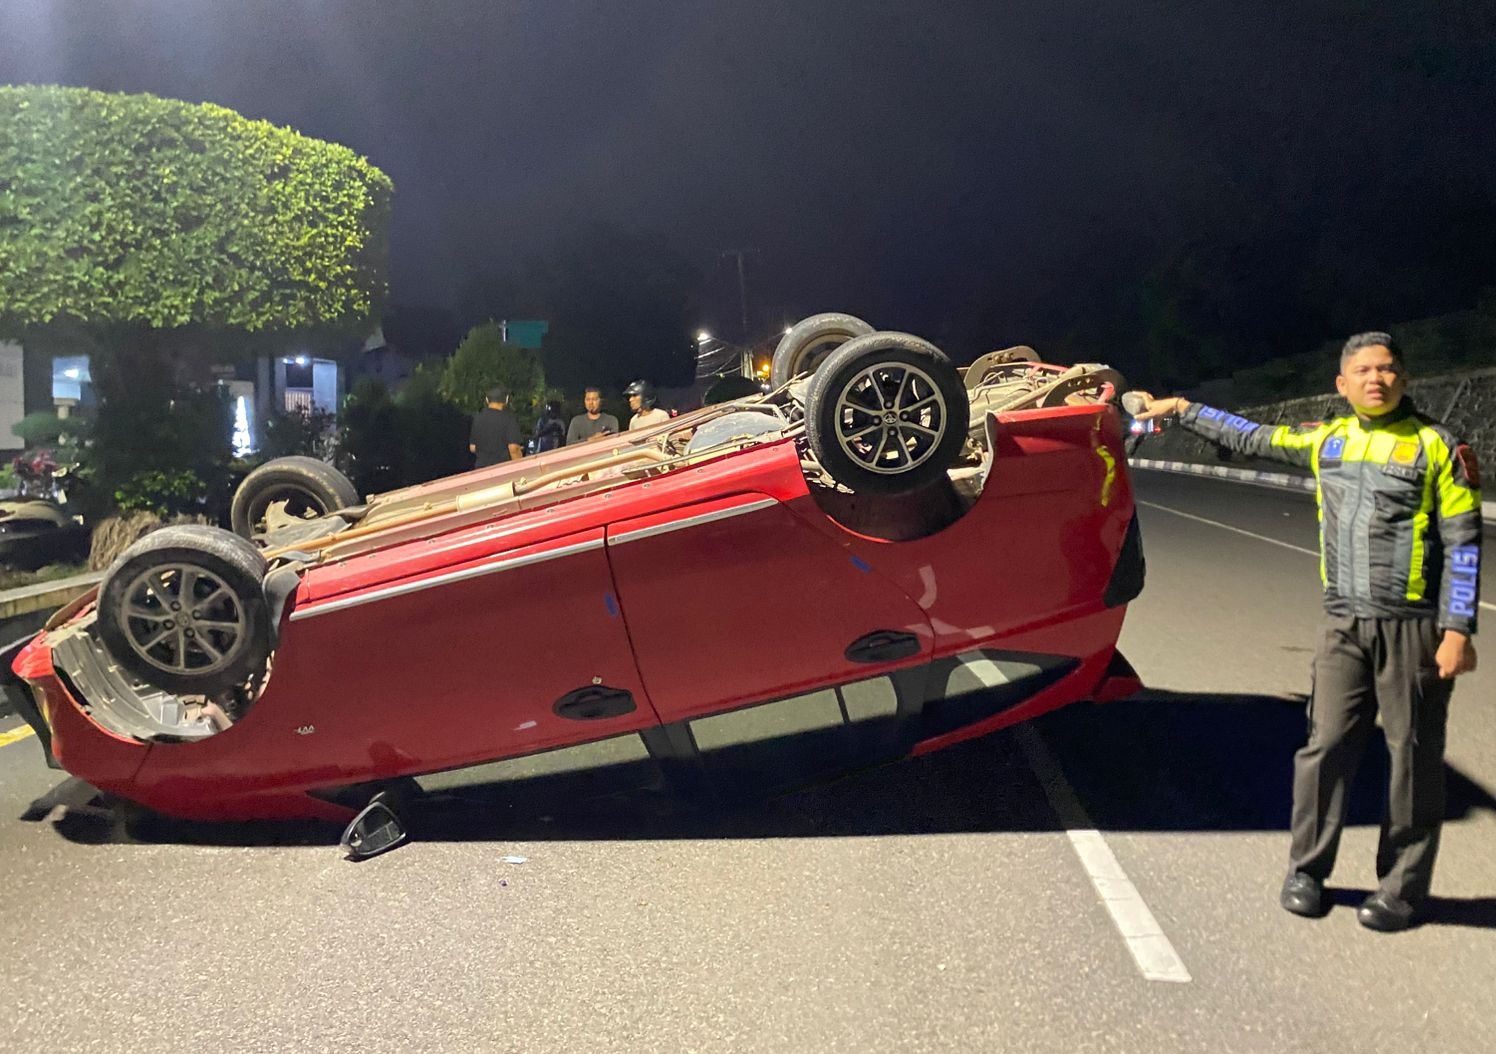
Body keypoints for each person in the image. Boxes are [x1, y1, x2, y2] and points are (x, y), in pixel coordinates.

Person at [1134, 331, 1481, 932]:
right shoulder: (1328, 440)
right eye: (1363, 371)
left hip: (1414, 627)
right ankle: (1307, 871)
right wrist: (1184, 409)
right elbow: (1253, 437)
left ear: (1403, 378)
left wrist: (1457, 629)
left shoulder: (1436, 446)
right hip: (1343, 624)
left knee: (1414, 759)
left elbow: (1464, 541)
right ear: (1342, 385)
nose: (1376, 379)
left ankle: (1401, 889)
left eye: (1386, 369)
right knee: (1325, 748)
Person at [468, 386, 523, 468]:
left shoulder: (477, 419)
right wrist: (519, 467)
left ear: (487, 400)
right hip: (503, 468)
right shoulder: (509, 419)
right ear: (506, 400)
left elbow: (472, 447)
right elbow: (514, 448)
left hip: (481, 468)